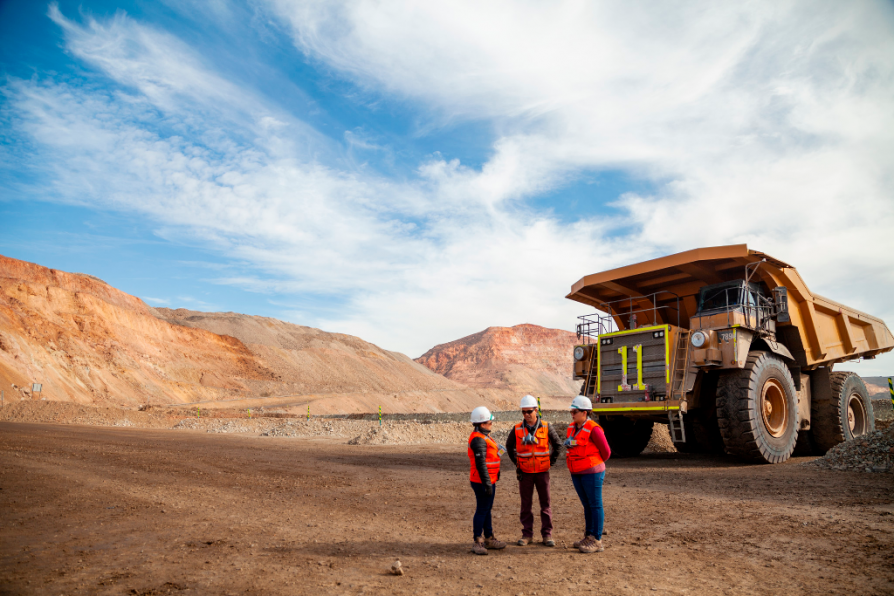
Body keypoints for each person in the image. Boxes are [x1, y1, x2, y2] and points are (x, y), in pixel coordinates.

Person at [506, 394, 563, 547]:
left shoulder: (546, 426)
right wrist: (517, 463)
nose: (526, 415)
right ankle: (527, 534)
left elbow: (558, 445)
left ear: (536, 410)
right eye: (523, 412)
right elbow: (509, 446)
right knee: (526, 505)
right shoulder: (517, 429)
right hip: (525, 473)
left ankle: (547, 535)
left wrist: (550, 462)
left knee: (545, 504)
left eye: (529, 411)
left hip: (542, 472)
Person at [565, 395, 611, 553]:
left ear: (584, 412)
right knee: (587, 505)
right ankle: (589, 536)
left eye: (575, 411)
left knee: (595, 504)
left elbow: (606, 452)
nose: (572, 413)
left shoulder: (594, 428)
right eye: (571, 411)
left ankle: (597, 540)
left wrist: (595, 464)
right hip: (576, 472)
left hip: (592, 472)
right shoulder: (572, 427)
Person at [468, 406, 508, 555]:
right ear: (482, 423)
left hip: (488, 480)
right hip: (481, 481)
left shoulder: (484, 437)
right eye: (489, 422)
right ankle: (478, 540)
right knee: (482, 510)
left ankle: (489, 537)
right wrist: (486, 483)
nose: (491, 424)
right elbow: (481, 464)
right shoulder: (478, 440)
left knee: (486, 509)